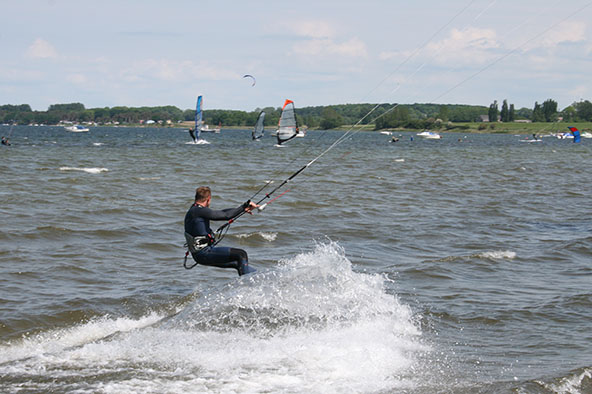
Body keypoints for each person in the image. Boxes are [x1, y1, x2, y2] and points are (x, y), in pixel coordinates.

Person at [184, 186, 259, 276]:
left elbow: (222, 212)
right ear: (208, 199)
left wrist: (241, 209)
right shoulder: (198, 211)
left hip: (201, 254)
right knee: (241, 254)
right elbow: (226, 215)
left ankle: (258, 276)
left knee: (238, 263)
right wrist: (244, 206)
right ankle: (248, 286)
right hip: (204, 253)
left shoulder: (194, 210)